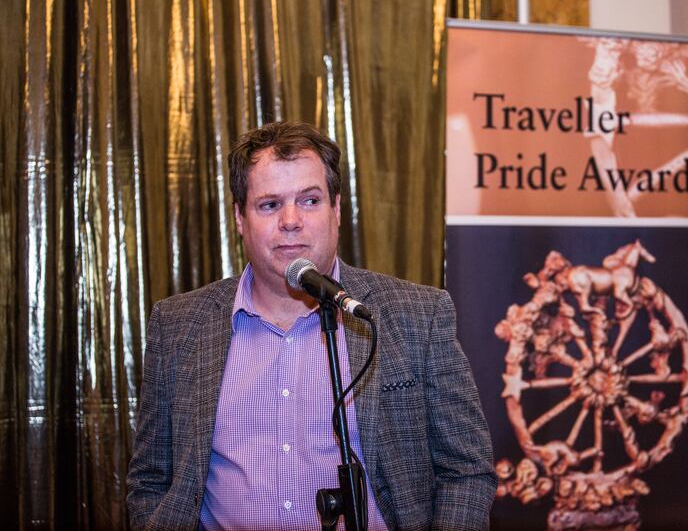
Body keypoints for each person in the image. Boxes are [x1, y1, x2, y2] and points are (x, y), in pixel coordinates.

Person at [126, 121, 496, 530]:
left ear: (336, 209)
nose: (291, 220)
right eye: (270, 204)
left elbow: (465, 470)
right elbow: (150, 479)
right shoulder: (178, 325)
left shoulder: (417, 315)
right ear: (239, 217)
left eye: (309, 200)